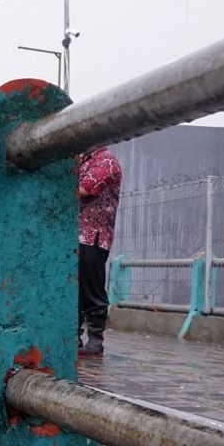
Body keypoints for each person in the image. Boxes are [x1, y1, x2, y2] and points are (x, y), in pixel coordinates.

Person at [77, 145, 122, 357]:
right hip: (75, 234)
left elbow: (84, 188)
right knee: (74, 288)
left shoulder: (106, 161)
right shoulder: (83, 161)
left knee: (91, 287)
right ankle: (72, 336)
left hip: (93, 235)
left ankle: (96, 339)